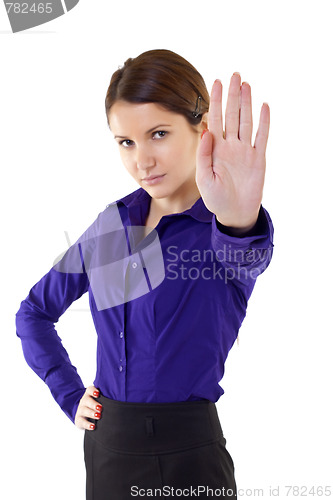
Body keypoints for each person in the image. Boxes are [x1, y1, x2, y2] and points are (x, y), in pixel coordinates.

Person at [16, 49, 274, 499]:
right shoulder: (113, 225)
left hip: (190, 453)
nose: (142, 161)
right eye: (126, 142)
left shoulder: (222, 228)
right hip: (108, 447)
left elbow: (247, 257)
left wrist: (239, 219)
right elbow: (34, 312)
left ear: (203, 126)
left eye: (158, 134)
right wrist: (68, 394)